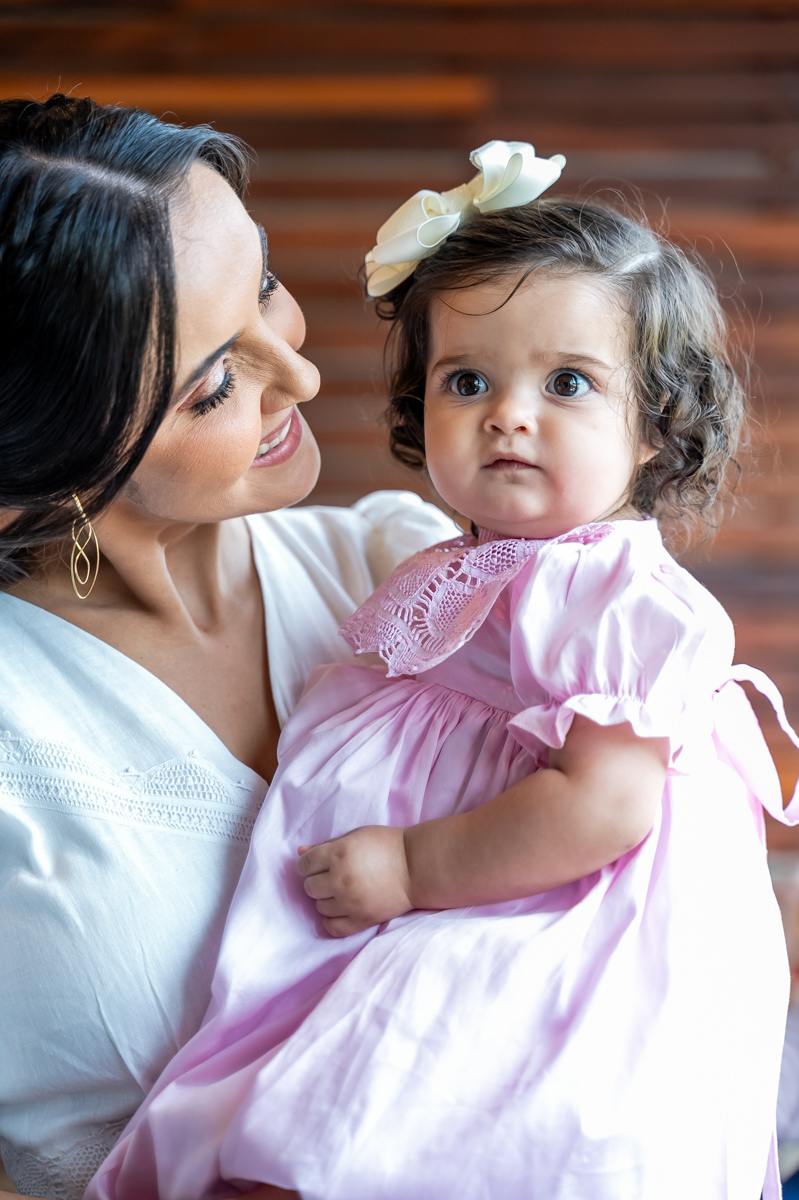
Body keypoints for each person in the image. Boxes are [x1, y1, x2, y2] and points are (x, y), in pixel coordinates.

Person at [89, 143, 799, 1200]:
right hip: (469, 878)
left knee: (422, 1083)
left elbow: (602, 805)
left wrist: (413, 870)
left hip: (533, 908)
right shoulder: (476, 562)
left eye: (568, 383)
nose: (508, 412)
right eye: (468, 381)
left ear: (654, 426)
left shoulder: (610, 593)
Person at [0, 93, 459, 1200]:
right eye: (214, 386)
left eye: (261, 284)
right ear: (41, 468)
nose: (297, 377)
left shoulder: (407, 572)